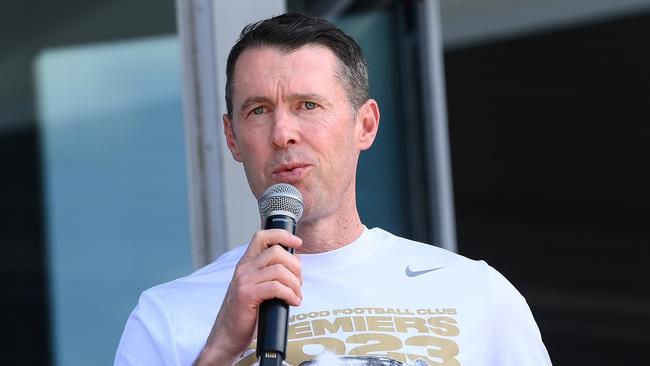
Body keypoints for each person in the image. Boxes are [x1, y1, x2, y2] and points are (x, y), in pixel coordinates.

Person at [114, 13, 551, 366]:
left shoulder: (477, 293)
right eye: (259, 110)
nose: (283, 132)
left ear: (366, 125)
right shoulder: (166, 317)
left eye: (308, 105)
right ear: (232, 138)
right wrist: (221, 349)